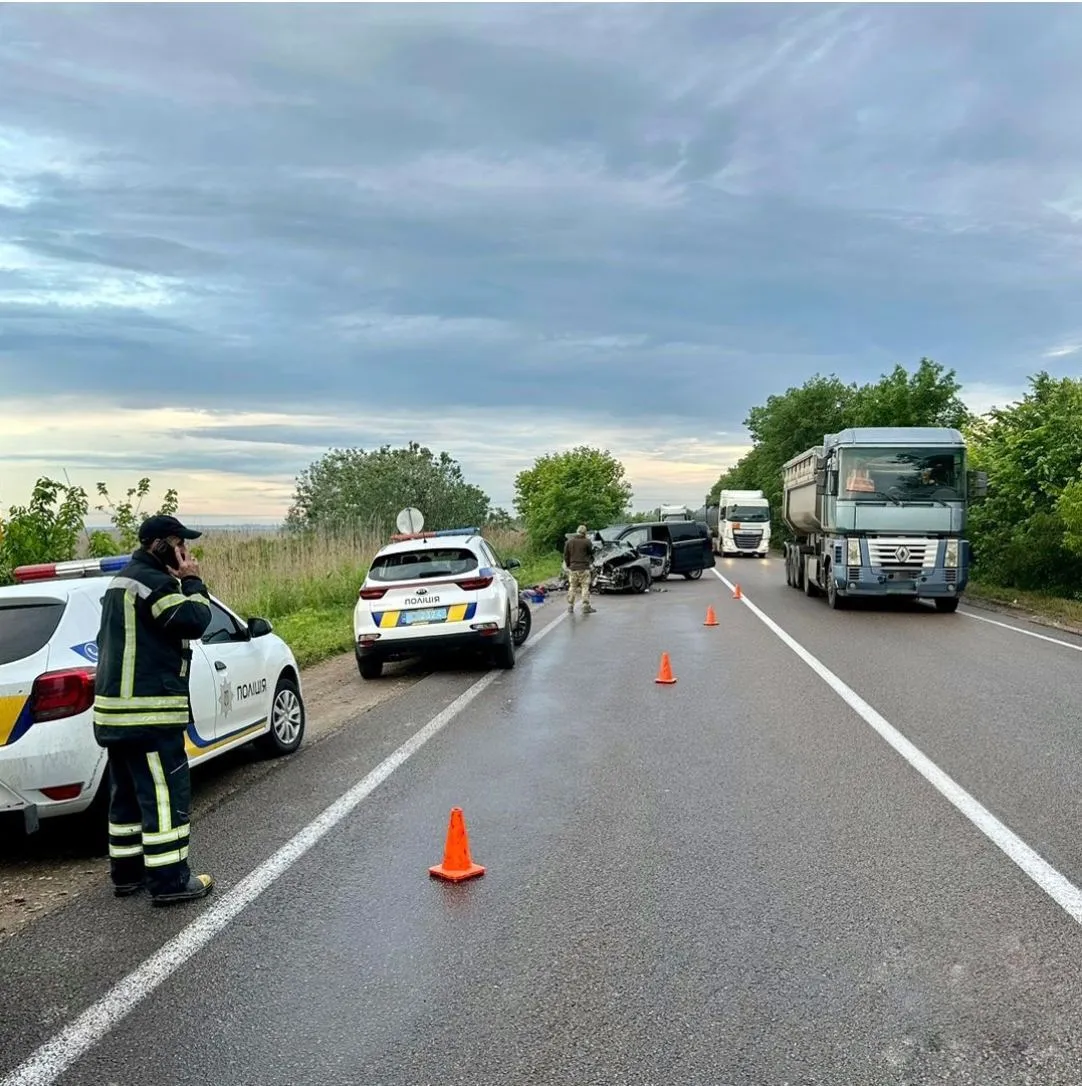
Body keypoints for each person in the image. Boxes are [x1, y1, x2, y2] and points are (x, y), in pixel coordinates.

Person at [93, 514, 216, 906]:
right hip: (150, 715)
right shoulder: (158, 583)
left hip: (116, 715)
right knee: (164, 796)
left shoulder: (121, 583)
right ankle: (171, 881)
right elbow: (193, 620)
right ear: (160, 545)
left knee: (126, 797)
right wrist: (192, 580)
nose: (186, 552)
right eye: (181, 544)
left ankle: (128, 876)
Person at [563, 524, 596, 614]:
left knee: (572, 587)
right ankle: (586, 606)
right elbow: (591, 553)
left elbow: (566, 555)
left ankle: (570, 606)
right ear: (585, 533)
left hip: (573, 568)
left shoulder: (569, 542)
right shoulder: (587, 542)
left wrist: (569, 565)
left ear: (577, 531)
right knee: (585, 587)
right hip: (584, 568)